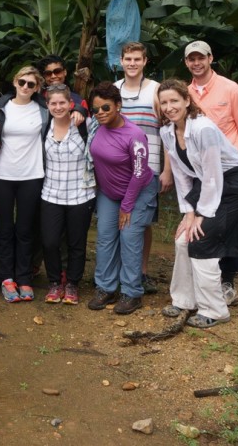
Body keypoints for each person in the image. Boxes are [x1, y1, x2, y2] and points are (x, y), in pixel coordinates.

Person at [157, 79, 238, 328]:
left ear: (187, 101)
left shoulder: (203, 128)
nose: (169, 107)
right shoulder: (167, 132)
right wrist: (188, 213)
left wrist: (202, 214)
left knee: (202, 239)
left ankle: (215, 310)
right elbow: (182, 176)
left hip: (233, 185)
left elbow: (215, 175)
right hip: (206, 184)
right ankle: (184, 300)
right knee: (183, 237)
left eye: (174, 101)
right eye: (164, 103)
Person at [184, 41, 238, 305]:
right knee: (204, 226)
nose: (196, 63)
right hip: (201, 172)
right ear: (186, 63)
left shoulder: (231, 89)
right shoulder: (185, 93)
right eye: (191, 59)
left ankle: (227, 280)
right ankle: (205, 280)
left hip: (229, 168)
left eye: (200, 58)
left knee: (231, 227)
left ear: (210, 58)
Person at [86, 81, 157, 315]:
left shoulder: (134, 135)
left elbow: (138, 173)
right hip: (109, 192)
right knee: (105, 238)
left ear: (118, 105)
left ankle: (132, 292)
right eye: (95, 110)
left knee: (129, 238)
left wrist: (127, 206)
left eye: (105, 108)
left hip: (137, 192)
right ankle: (106, 287)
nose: (100, 114)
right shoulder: (96, 127)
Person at [0, 66, 48, 303]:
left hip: (31, 175)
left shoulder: (43, 111)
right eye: (22, 82)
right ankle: (6, 278)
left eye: (31, 84)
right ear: (15, 82)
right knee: (4, 230)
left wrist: (76, 110)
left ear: (37, 88)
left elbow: (65, 107)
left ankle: (24, 277)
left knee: (25, 230)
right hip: (2, 175)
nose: (25, 87)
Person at [115, 42, 167, 294]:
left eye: (137, 59)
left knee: (141, 222)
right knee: (117, 221)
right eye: (128, 59)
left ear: (145, 61)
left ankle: (141, 272)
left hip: (149, 167)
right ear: (121, 61)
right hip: (117, 169)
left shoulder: (156, 90)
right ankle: (119, 272)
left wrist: (167, 170)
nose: (132, 63)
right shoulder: (114, 90)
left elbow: (167, 129)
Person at [41, 84, 95, 305]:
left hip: (80, 194)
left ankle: (72, 283)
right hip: (50, 194)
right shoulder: (44, 126)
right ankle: (55, 282)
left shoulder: (85, 126)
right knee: (50, 242)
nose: (58, 107)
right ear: (47, 105)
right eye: (53, 103)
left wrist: (83, 112)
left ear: (70, 103)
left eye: (62, 102)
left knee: (76, 243)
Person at [38, 54, 88, 125]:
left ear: (65, 72)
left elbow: (87, 127)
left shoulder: (78, 101)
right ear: (44, 76)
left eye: (57, 71)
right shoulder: (38, 99)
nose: (53, 76)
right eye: (48, 73)